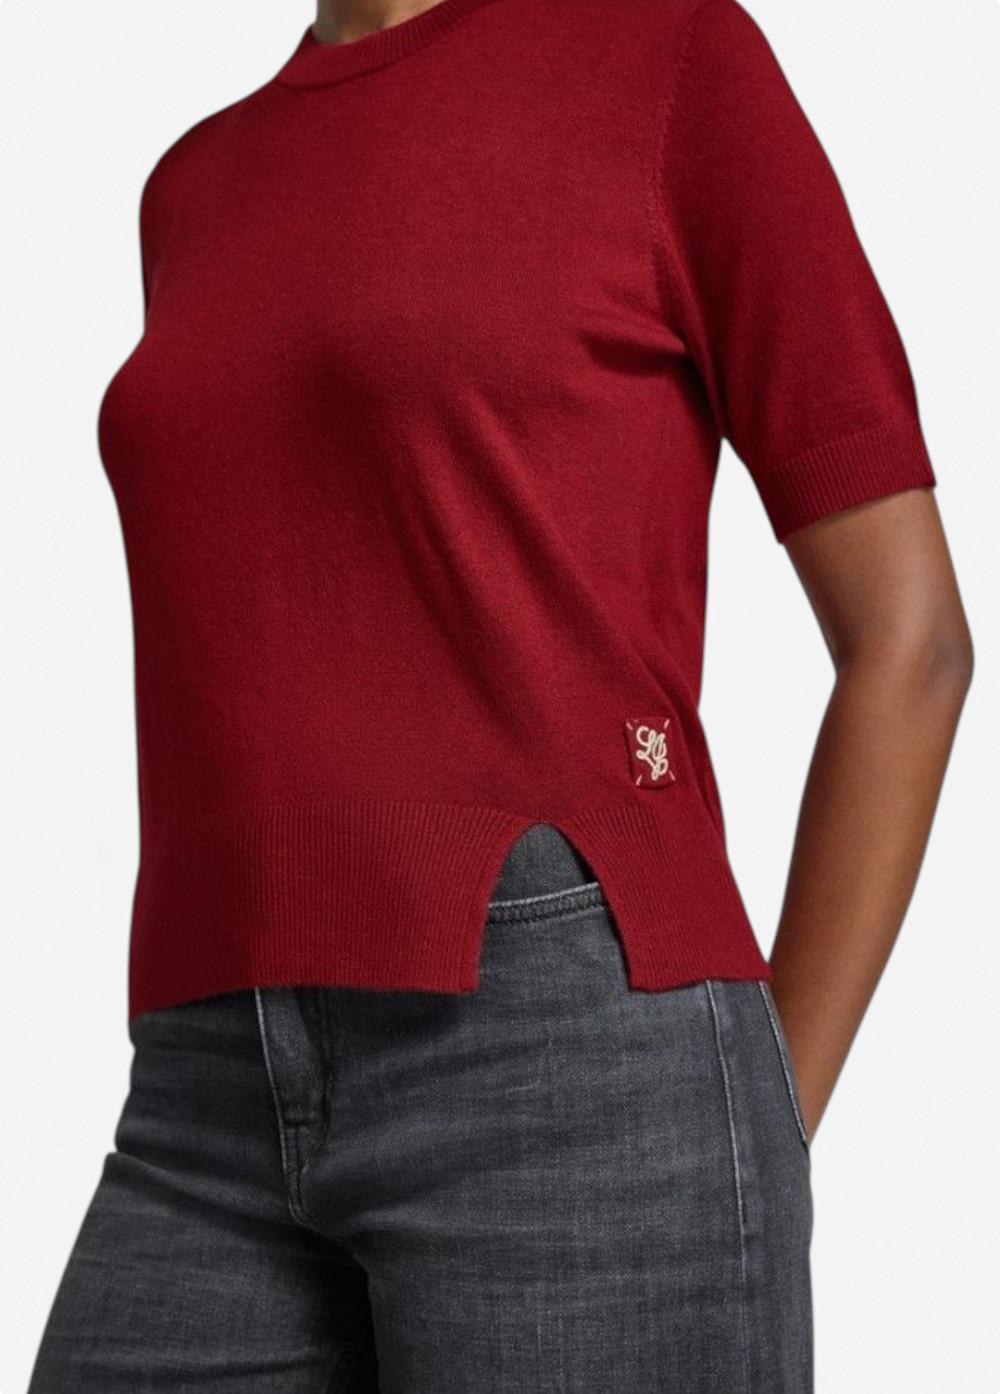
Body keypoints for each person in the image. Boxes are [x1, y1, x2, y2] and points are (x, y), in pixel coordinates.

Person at [28, 0, 972, 1389]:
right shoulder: (197, 182)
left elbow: (912, 641)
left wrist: (761, 1113)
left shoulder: (669, 57)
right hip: (204, 1074)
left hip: (566, 1043)